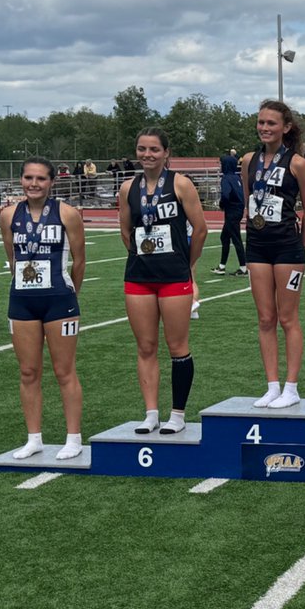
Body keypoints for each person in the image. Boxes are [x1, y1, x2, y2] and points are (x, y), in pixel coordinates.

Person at [118, 128, 207, 434]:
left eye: (154, 149)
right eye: (142, 149)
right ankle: (150, 413)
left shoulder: (180, 183)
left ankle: (178, 415)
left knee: (177, 346)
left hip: (174, 276)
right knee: (145, 346)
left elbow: (201, 228)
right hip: (139, 277)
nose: (147, 155)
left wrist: (187, 262)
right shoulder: (128, 187)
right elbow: (126, 231)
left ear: (166, 153)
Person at [1, 158, 86, 460]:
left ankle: (73, 437)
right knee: (28, 371)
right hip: (22, 300)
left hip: (59, 301)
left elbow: (79, 261)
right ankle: (33, 438)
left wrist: (69, 293)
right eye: (28, 178)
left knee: (64, 371)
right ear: (21, 180)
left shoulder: (67, 214)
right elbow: (12, 258)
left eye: (40, 178)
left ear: (52, 182)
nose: (33, 183)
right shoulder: (9, 214)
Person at [242, 100, 305, 407]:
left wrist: (301, 245)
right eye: (261, 122)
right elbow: (250, 200)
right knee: (265, 318)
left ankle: (291, 386)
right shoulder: (248, 160)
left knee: (288, 318)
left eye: (271, 123)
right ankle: (271, 385)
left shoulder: (297, 163)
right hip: (257, 246)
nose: (264, 128)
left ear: (285, 128)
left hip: (288, 248)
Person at [212, 148, 248, 276]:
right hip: (237, 210)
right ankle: (222, 266)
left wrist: (222, 204)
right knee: (225, 237)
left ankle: (243, 267)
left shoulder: (226, 178)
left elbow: (226, 195)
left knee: (236, 238)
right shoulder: (237, 177)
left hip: (232, 211)